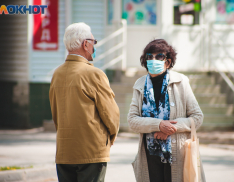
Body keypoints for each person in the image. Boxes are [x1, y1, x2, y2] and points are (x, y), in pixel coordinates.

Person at [49, 22, 120, 182]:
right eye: (94, 42)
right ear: (85, 44)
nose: (94, 46)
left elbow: (55, 113)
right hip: (91, 151)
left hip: (64, 151)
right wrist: (110, 138)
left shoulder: (57, 74)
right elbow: (111, 114)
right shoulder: (94, 73)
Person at [127, 39, 204, 182]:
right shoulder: (139, 84)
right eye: (149, 56)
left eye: (159, 56)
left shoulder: (181, 82)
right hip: (149, 156)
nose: (153, 59)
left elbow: (197, 117)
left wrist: (170, 128)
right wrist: (159, 125)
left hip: (178, 153)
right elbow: (132, 121)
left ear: (168, 62)